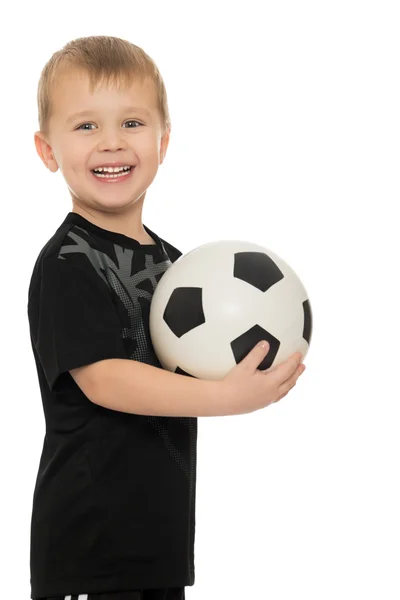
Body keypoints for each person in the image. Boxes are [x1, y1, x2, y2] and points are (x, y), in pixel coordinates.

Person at [27, 35, 306, 600]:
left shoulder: (182, 270)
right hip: (88, 548)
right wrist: (226, 399)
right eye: (86, 127)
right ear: (47, 150)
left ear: (163, 141)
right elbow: (104, 379)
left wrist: (256, 362)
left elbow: (196, 364)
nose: (111, 142)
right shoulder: (66, 262)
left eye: (132, 123)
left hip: (159, 544)